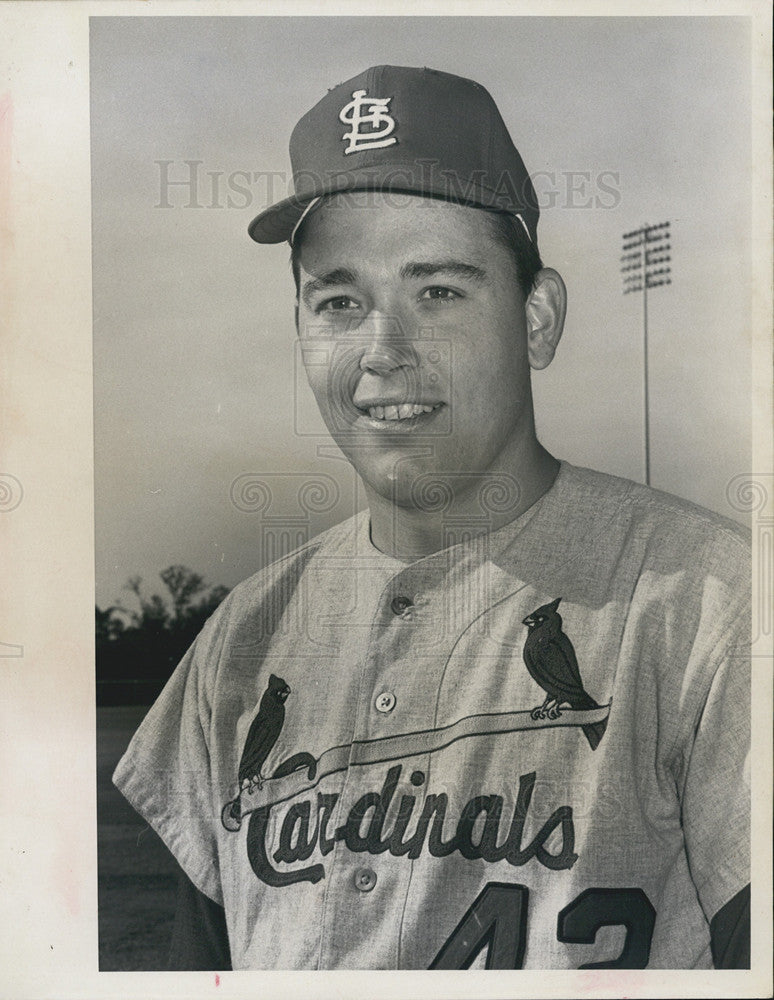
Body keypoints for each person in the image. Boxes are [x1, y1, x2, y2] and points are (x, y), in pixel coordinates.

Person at [113, 64, 751, 970]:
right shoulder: (241, 642)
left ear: (538, 319)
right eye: (340, 301)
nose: (385, 350)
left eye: (439, 292)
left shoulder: (710, 606)